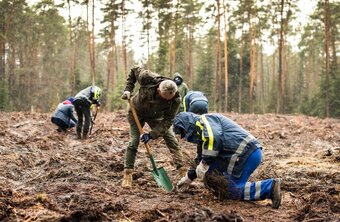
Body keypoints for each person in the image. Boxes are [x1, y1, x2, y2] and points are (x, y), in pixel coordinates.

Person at [173, 112, 282, 209]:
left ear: (187, 125)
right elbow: (201, 159)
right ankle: (268, 187)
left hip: (244, 153)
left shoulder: (204, 121)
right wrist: (188, 177)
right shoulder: (203, 135)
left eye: (183, 132)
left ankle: (269, 187)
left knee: (229, 189)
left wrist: (204, 163)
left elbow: (214, 138)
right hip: (247, 153)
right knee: (226, 187)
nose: (184, 137)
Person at [121, 66, 184, 188]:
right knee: (134, 141)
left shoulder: (176, 99)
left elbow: (168, 120)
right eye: (162, 97)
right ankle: (127, 174)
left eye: (167, 100)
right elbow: (134, 70)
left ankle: (183, 172)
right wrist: (128, 89)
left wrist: (151, 134)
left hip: (155, 116)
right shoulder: (147, 77)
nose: (164, 100)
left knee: (172, 141)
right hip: (136, 111)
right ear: (159, 90)